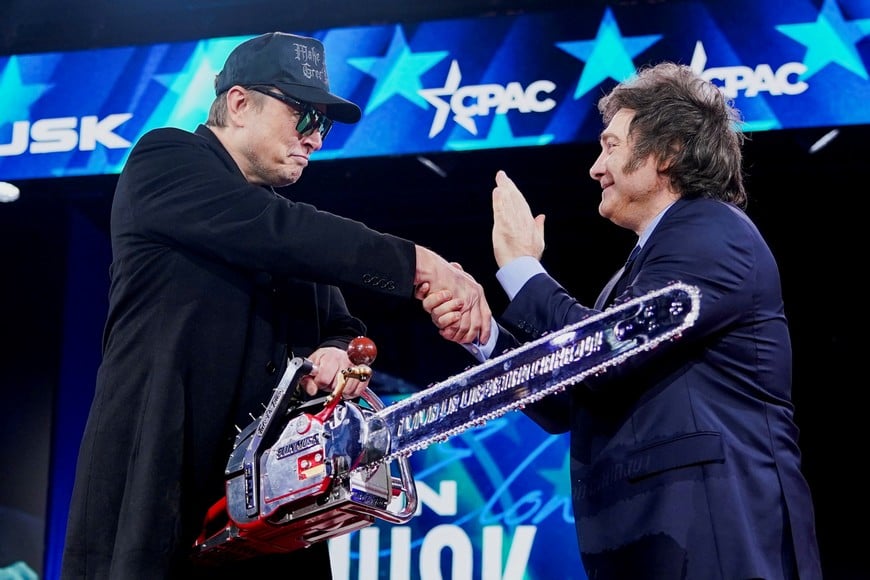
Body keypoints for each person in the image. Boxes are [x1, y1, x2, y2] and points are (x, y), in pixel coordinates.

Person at [60, 31, 490, 580]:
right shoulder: (164, 161)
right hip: (163, 482)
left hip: (271, 514)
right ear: (239, 104)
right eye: (303, 116)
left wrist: (337, 354)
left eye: (325, 125)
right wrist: (422, 265)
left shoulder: (285, 227)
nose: (315, 138)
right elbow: (278, 231)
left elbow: (340, 324)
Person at [419, 62, 822, 579]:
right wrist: (486, 336)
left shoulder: (713, 232)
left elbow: (605, 355)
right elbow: (574, 399)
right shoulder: (634, 272)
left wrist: (521, 268)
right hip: (645, 542)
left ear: (668, 151)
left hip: (714, 537)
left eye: (610, 145)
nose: (595, 167)